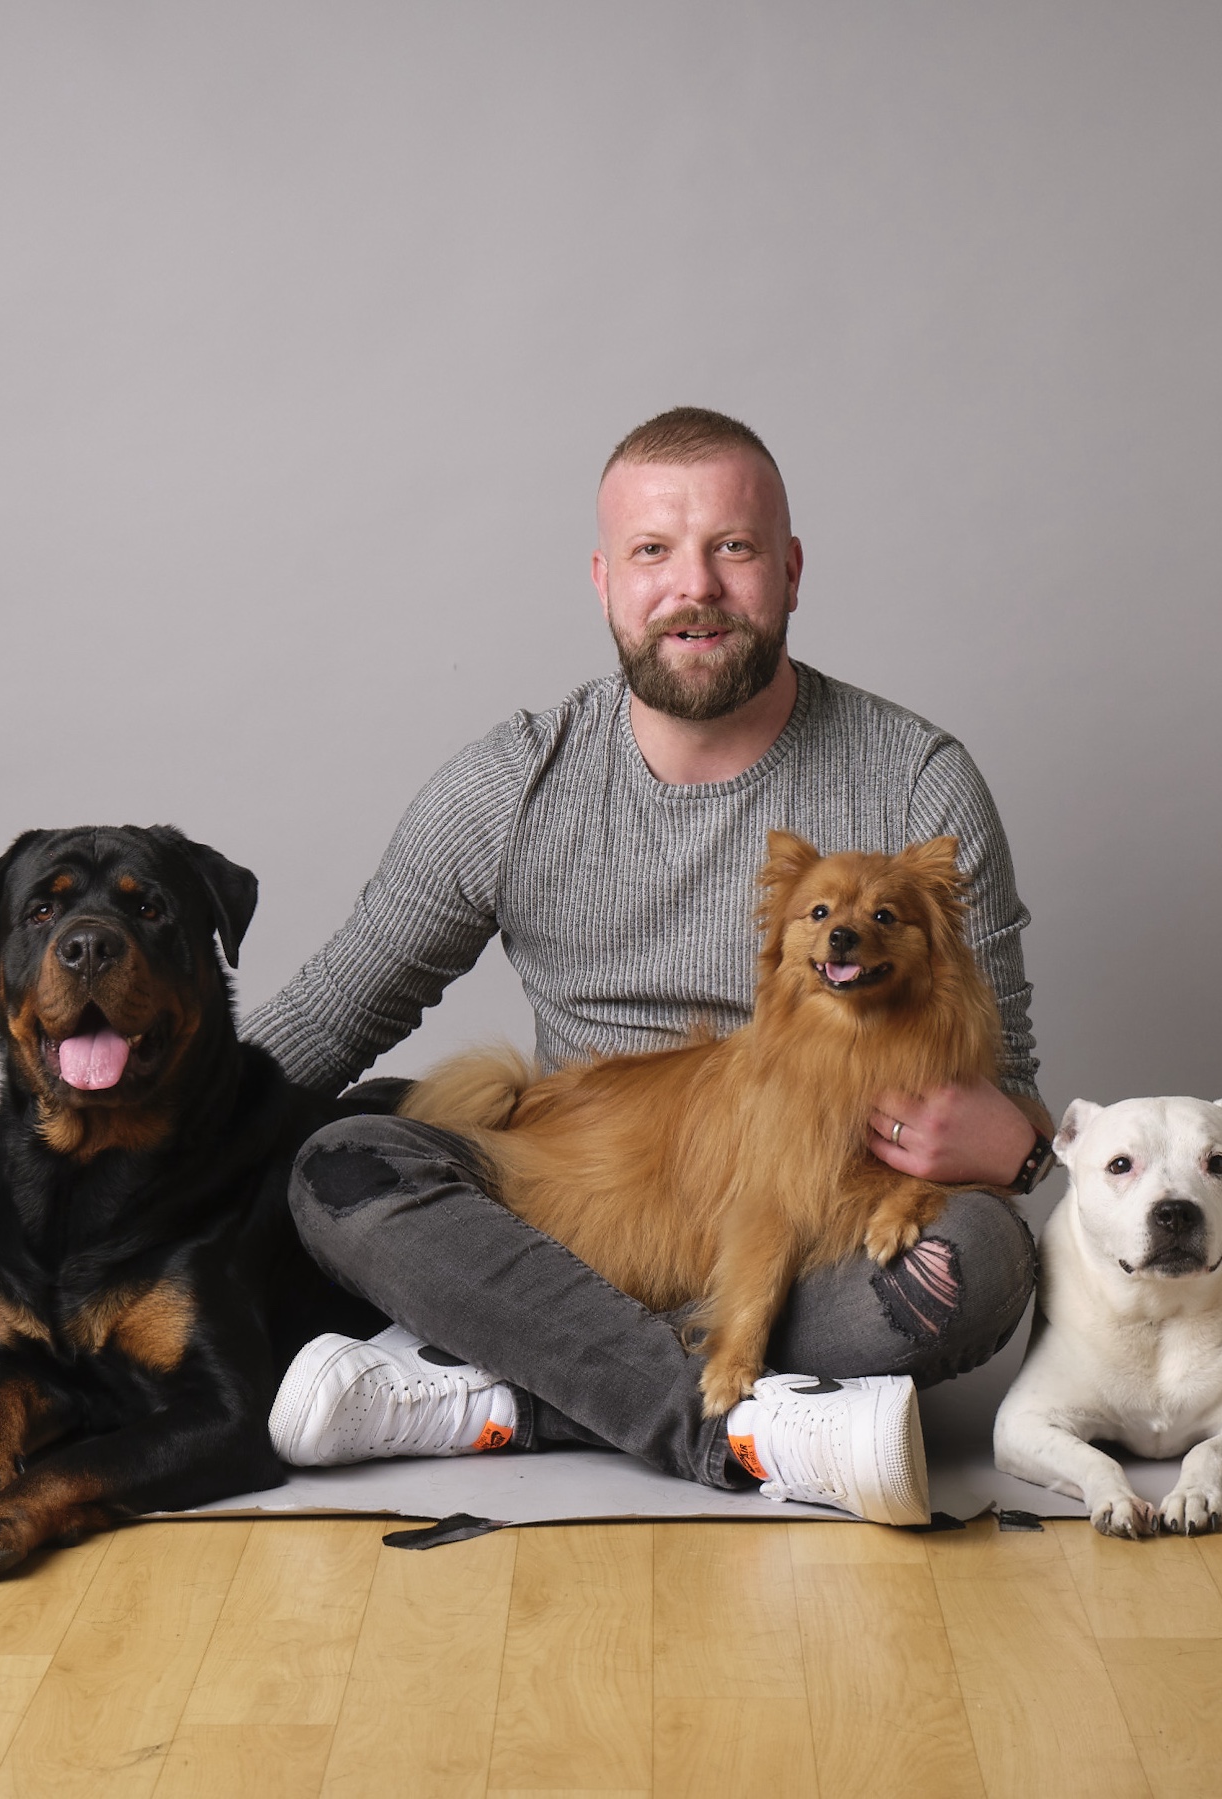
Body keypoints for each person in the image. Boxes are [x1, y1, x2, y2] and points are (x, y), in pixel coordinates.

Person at [243, 407, 1053, 1524]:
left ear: (790, 569)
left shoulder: (918, 779)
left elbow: (1013, 1087)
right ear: (604, 579)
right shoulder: (513, 783)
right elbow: (330, 1016)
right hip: (568, 1204)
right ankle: (732, 1419)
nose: (697, 587)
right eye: (653, 552)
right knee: (341, 1162)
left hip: (814, 1230)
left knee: (977, 1261)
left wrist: (1020, 1144)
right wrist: (125, 1164)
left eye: (733, 546)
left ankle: (508, 1386)